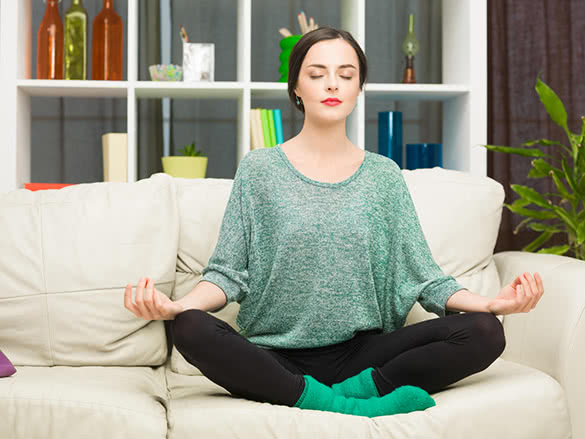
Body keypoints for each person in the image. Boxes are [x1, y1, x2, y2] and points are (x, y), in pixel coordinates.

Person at [123, 27, 545, 418]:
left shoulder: (383, 176)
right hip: (275, 355)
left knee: (485, 333)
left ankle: (358, 390)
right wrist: (178, 306)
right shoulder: (259, 170)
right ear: (296, 87)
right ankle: (342, 404)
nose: (332, 84)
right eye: (317, 73)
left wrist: (493, 304)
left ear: (358, 88)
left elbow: (425, 279)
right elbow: (226, 275)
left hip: (364, 353)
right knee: (190, 328)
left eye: (346, 74)